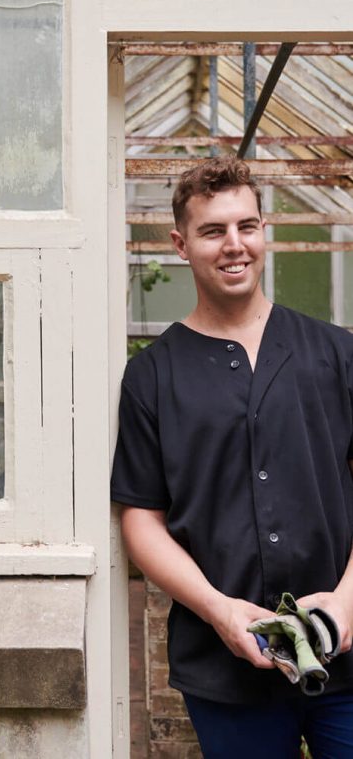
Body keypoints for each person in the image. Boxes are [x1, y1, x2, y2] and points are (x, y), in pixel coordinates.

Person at [111, 156, 353, 758]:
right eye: (213, 231)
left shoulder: (336, 353)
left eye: (247, 226)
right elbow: (142, 520)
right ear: (180, 243)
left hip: (348, 658)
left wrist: (346, 604)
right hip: (223, 669)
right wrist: (220, 612)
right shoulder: (152, 376)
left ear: (263, 230)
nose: (234, 245)